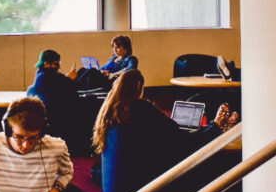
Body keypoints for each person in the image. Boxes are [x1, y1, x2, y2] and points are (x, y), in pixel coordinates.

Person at [90, 69, 238, 166]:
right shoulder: (142, 110)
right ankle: (217, 126)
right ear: (139, 88)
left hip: (122, 182)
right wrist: (215, 126)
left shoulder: (111, 111)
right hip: (146, 183)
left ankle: (215, 127)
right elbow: (184, 141)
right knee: (199, 147)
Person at [26, 49, 95, 156]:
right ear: (46, 64)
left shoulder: (41, 77)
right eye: (56, 64)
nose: (59, 66)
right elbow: (69, 94)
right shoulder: (53, 78)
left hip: (51, 118)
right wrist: (70, 80)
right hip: (60, 120)